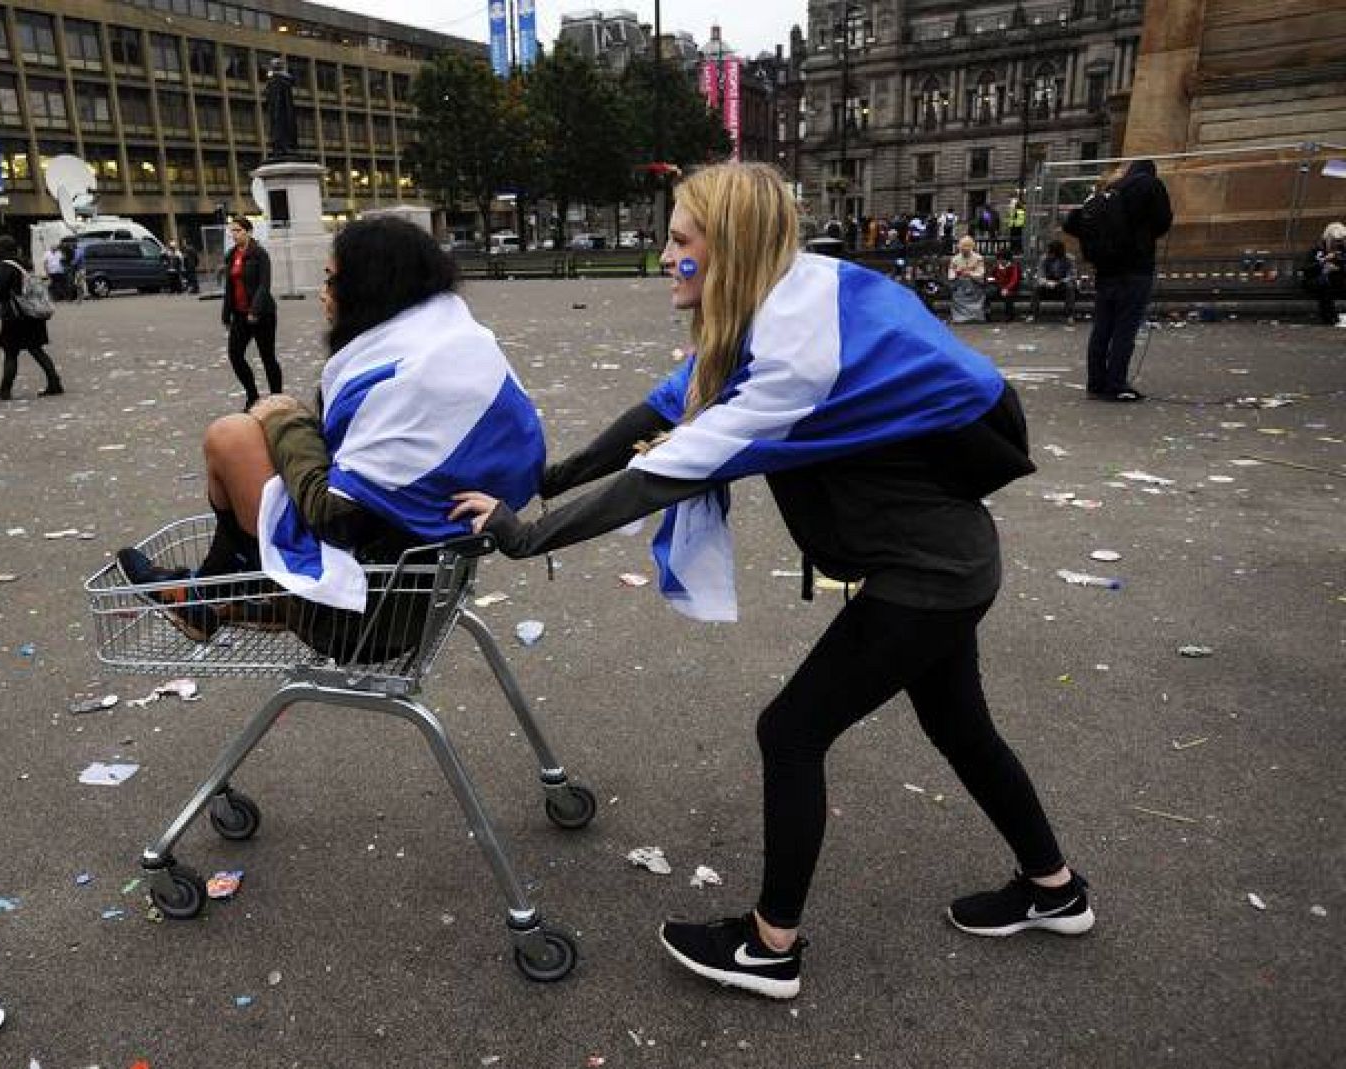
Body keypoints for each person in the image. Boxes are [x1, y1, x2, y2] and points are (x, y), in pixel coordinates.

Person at [451, 162, 1090, 1002]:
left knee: (791, 731)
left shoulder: (795, 354)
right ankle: (1055, 888)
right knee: (961, 728)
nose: (665, 257)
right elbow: (667, 406)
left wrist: (525, 533)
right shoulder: (787, 296)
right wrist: (552, 476)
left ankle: (769, 945)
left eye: (680, 240)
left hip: (928, 575)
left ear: (729, 247)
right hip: (945, 560)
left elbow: (675, 465)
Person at [116, 216, 544, 653]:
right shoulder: (455, 348)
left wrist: (287, 420)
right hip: (419, 591)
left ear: (368, 288)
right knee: (276, 435)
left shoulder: (408, 382)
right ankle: (212, 593)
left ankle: (214, 594)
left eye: (331, 280)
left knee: (233, 436)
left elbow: (334, 518)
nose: (323, 293)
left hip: (359, 615)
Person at [1064, 159, 1172, 402]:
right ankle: (1116, 383)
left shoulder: (1108, 193)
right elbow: (1162, 221)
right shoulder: (1150, 185)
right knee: (1125, 329)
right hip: (1135, 269)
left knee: (1102, 328)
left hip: (1106, 271)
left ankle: (1096, 382)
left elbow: (1074, 223)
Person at [0, 235, 63, 400]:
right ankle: (54, 382)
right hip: (32, 313)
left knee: (10, 353)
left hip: (14, 316)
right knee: (36, 350)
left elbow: (0, 293)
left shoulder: (5, 266)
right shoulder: (24, 264)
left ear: (1, 250)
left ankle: (5, 389)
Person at [221, 215, 282, 410]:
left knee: (267, 358)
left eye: (238, 230)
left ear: (248, 232)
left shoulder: (260, 254)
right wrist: (226, 313)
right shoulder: (231, 255)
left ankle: (277, 399)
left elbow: (264, 285)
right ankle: (252, 395)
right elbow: (229, 287)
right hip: (240, 314)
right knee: (235, 355)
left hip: (262, 314)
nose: (234, 235)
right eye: (232, 231)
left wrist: (255, 310)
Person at [1302, 222, 1345, 326]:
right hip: (1318, 282)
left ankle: (1335, 320)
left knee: (1331, 283)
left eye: (1340, 241)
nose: (1337, 244)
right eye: (1335, 241)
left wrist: (1338, 268)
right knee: (1324, 288)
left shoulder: (1343, 251)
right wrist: (1323, 263)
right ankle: (1331, 320)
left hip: (1338, 283)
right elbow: (1306, 269)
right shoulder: (1316, 251)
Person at [1031, 240, 1077, 323]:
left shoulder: (1069, 259)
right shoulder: (1044, 258)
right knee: (1036, 287)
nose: (1049, 254)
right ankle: (1034, 314)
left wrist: (1060, 282)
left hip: (1062, 283)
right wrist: (1046, 282)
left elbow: (1072, 275)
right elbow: (1040, 275)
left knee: (1070, 287)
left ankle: (1069, 315)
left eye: (1051, 252)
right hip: (1047, 283)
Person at [948, 235, 987, 322]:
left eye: (967, 249)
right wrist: (956, 273)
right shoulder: (955, 259)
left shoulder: (978, 258)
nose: (964, 251)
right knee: (957, 293)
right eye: (962, 249)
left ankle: (976, 317)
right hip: (960, 284)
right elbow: (951, 273)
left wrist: (970, 274)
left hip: (974, 284)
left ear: (971, 248)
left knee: (977, 292)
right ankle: (960, 318)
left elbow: (981, 273)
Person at [989, 248, 1021, 322]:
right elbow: (990, 277)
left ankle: (1009, 315)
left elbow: (1014, 280)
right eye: (998, 259)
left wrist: (1006, 288)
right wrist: (993, 281)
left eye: (1001, 259)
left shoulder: (1014, 266)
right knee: (988, 293)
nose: (999, 261)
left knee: (1008, 295)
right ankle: (987, 313)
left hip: (1011, 288)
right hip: (998, 287)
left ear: (1007, 260)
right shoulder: (996, 267)